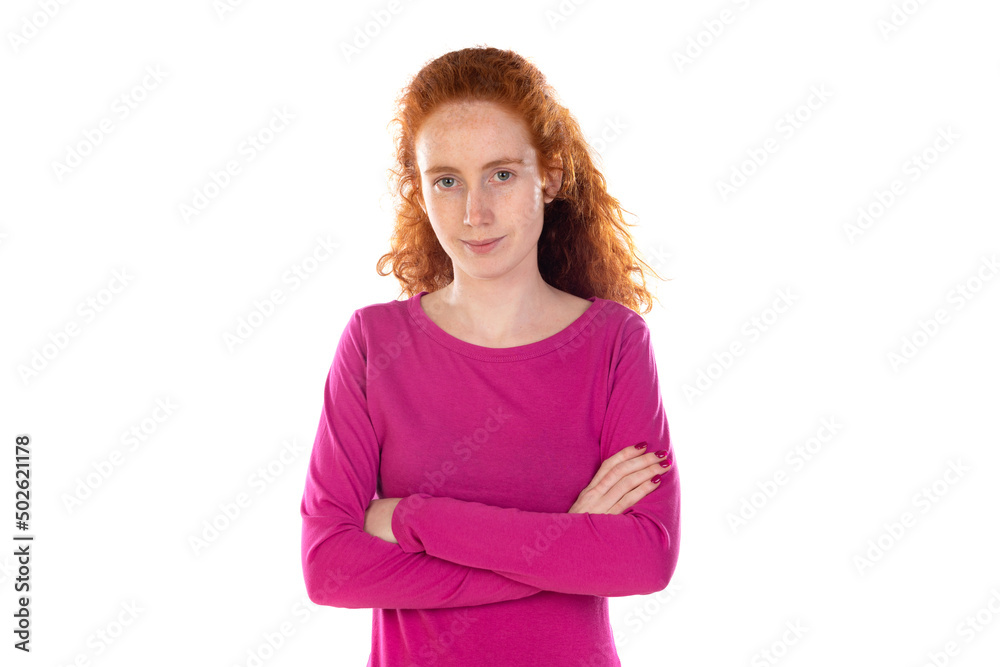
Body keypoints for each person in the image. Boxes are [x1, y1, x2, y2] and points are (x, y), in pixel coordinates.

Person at [300, 45, 680, 667]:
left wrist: (414, 519)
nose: (474, 214)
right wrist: (565, 543)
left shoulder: (614, 343)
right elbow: (329, 569)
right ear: (419, 190)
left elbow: (644, 559)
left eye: (501, 174)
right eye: (446, 181)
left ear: (549, 175)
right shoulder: (374, 343)